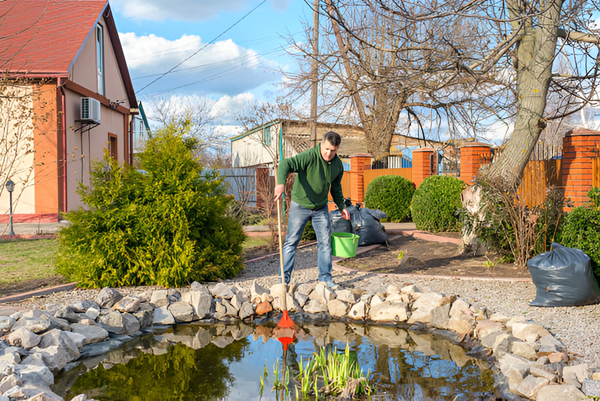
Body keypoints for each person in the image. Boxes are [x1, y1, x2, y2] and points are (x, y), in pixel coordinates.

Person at [274, 131, 350, 288]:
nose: (329, 153)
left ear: (337, 149)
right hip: (300, 205)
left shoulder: (337, 165)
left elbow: (336, 187)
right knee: (291, 242)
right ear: (322, 144)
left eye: (333, 150)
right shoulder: (309, 156)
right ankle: (283, 280)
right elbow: (284, 164)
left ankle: (325, 278)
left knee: (325, 242)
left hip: (320, 207)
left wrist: (341, 206)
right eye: (327, 149)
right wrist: (281, 183)